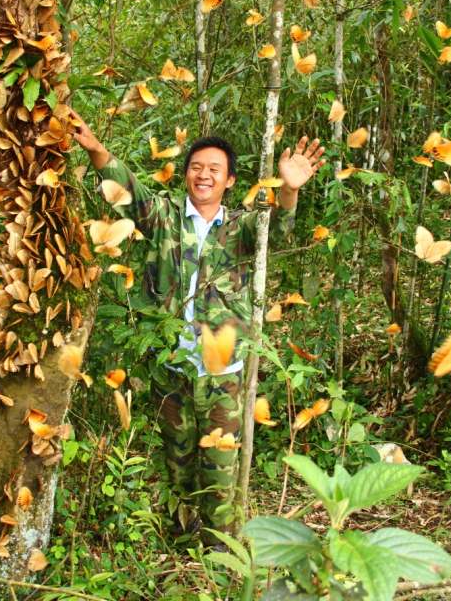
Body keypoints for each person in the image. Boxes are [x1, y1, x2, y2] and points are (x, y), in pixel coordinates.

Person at [73, 121, 325, 543]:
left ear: (229, 181)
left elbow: (278, 228)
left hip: (224, 371)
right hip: (171, 365)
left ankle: (218, 551)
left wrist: (290, 188)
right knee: (177, 460)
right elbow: (128, 189)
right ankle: (180, 544)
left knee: (220, 469)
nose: (202, 174)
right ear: (186, 173)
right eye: (195, 166)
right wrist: (95, 148)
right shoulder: (165, 216)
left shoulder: (244, 227)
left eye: (213, 168)